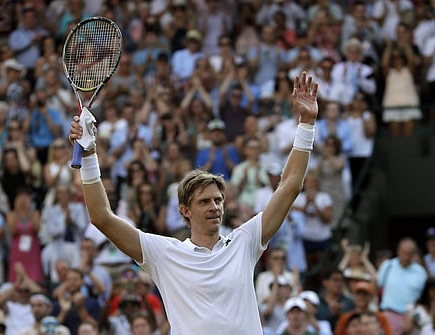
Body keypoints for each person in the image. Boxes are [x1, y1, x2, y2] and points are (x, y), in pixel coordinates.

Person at [68, 72, 319, 334]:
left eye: (218, 200)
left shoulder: (244, 242)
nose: (215, 206)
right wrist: (89, 157)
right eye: (204, 202)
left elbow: (289, 186)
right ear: (185, 211)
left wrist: (306, 124)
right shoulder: (163, 254)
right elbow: (101, 217)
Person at [378, 238, 427, 335]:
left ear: (414, 254)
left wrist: (412, 315)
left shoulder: (421, 273)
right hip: (389, 314)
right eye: (404, 253)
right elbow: (378, 286)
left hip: (411, 318)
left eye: (409, 253)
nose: (406, 257)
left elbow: (423, 299)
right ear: (398, 251)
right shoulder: (387, 266)